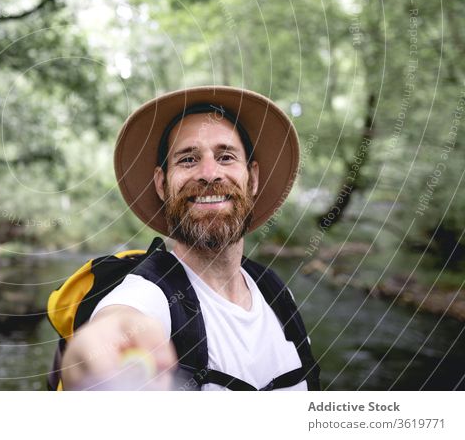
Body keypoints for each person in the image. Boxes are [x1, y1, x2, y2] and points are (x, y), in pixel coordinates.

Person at [59, 86, 319, 391]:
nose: (209, 174)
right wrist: (100, 347)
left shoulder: (276, 293)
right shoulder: (149, 297)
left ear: (253, 179)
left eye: (225, 157)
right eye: (187, 160)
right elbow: (115, 326)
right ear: (161, 184)